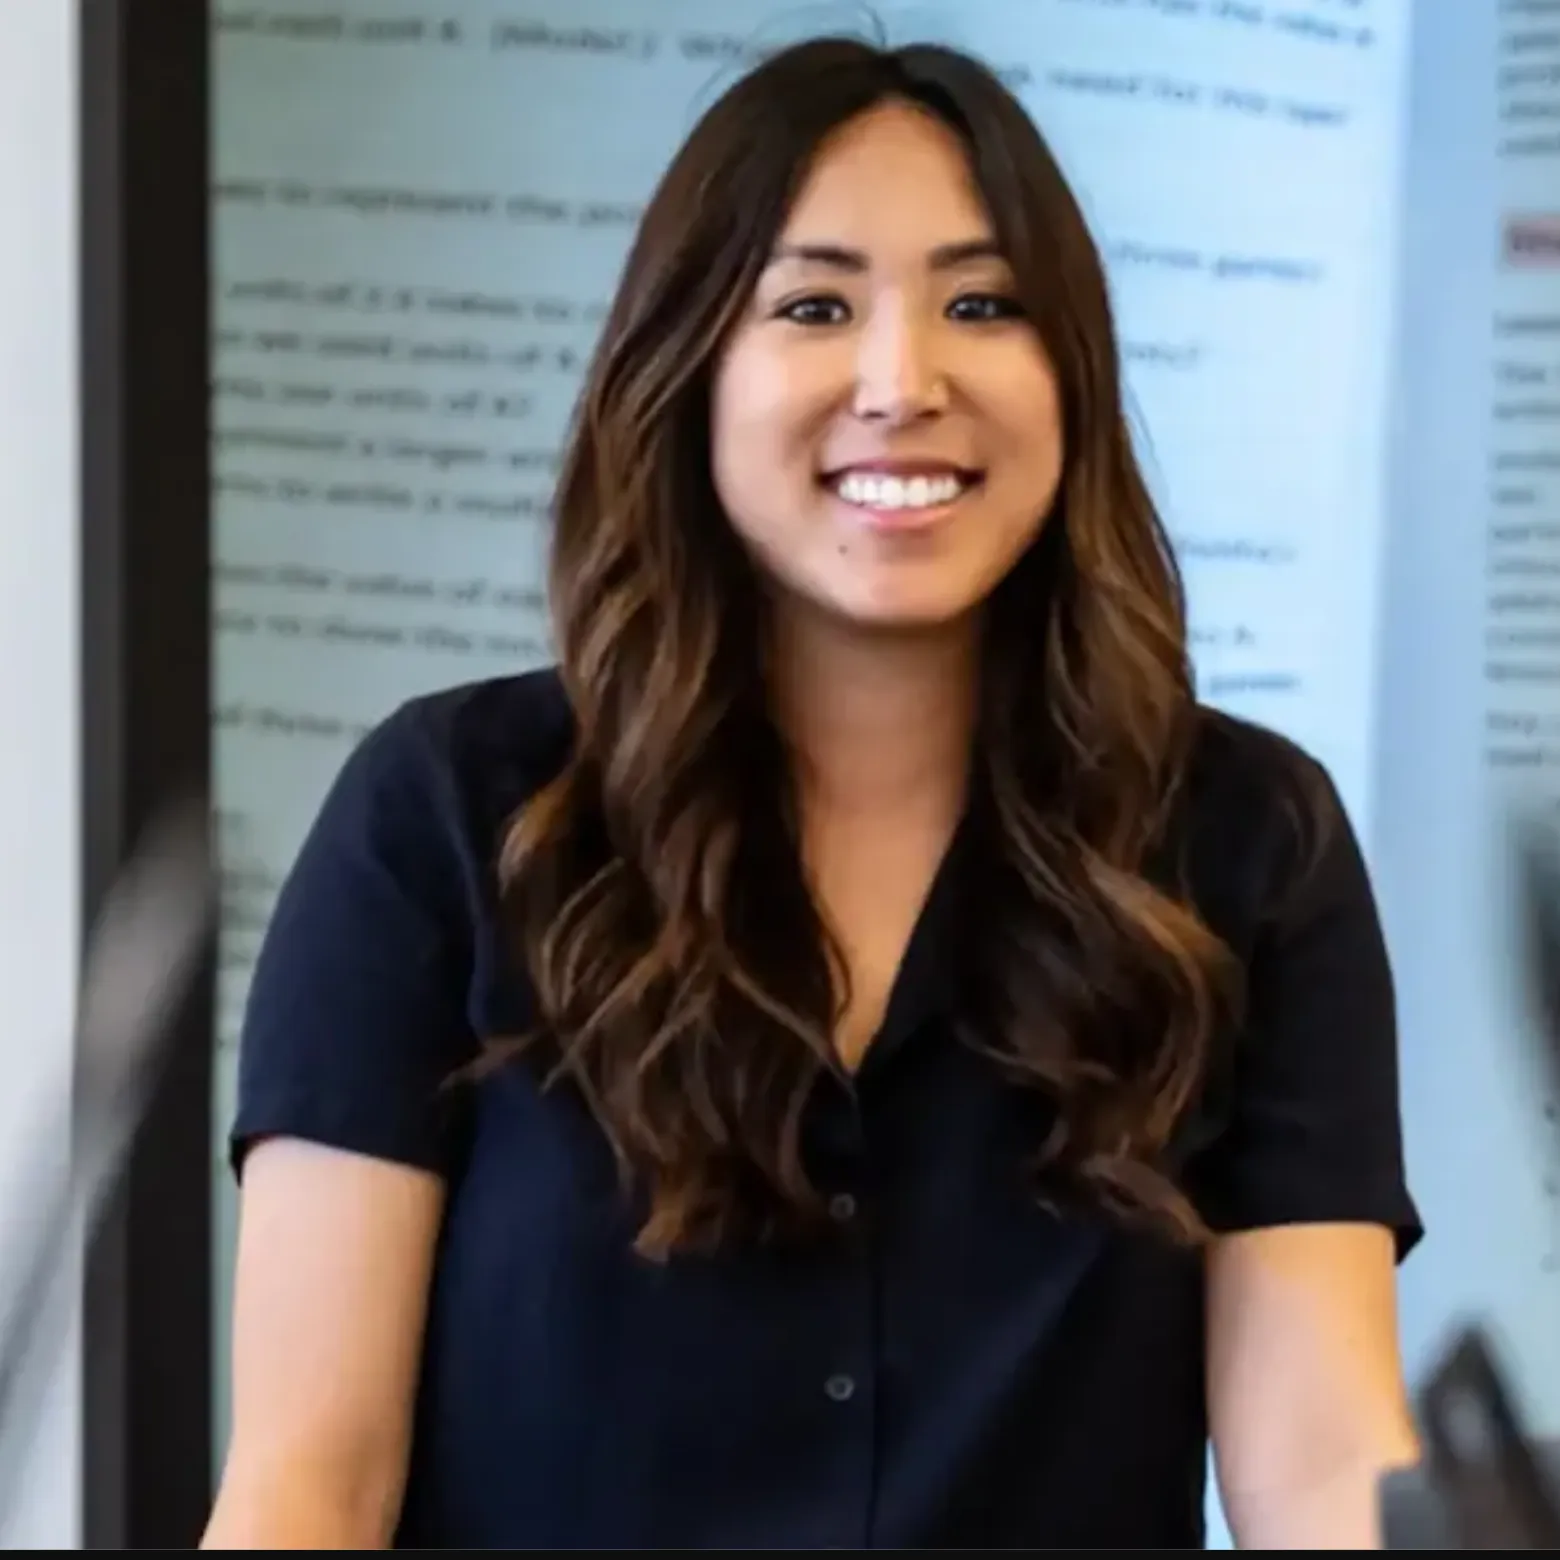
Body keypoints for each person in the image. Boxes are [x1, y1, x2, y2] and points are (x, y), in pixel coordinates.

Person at [203, 35, 1424, 1551]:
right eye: (815, 306)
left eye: (983, 305)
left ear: (1074, 379)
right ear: (689, 372)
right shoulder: (446, 816)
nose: (904, 381)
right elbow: (311, 1485)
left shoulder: (1251, 843)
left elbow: (1318, 1474)